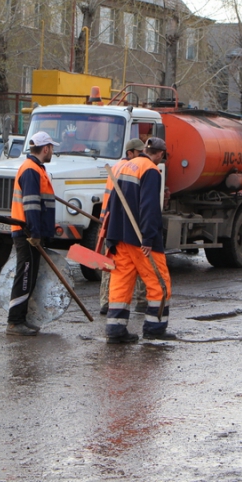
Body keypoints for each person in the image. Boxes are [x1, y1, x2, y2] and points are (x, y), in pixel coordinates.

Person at [104, 137, 173, 344]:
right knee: (159, 284)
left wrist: (110, 235)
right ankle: (155, 328)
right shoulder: (151, 170)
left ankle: (115, 329)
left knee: (121, 283)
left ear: (144, 149)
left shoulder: (124, 167)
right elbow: (149, 207)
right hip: (140, 240)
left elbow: (112, 202)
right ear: (160, 154)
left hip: (119, 237)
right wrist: (149, 238)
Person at [6, 131, 59, 336]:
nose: (52, 151)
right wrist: (35, 232)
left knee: (29, 275)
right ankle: (14, 321)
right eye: (52, 148)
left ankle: (21, 318)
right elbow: (31, 205)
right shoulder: (30, 170)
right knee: (25, 276)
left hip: (31, 232)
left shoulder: (36, 169)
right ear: (45, 148)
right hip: (26, 232)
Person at [99, 138, 147, 316]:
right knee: (140, 259)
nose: (142, 155)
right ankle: (142, 300)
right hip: (123, 222)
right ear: (130, 153)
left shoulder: (117, 167)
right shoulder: (132, 168)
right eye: (139, 152)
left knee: (110, 262)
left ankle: (106, 301)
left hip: (109, 221)